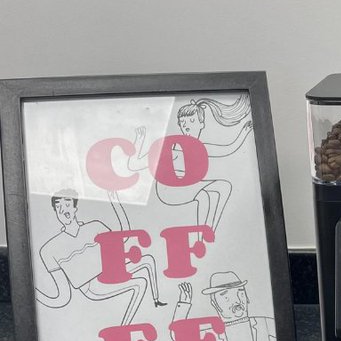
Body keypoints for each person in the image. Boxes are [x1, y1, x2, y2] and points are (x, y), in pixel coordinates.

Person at [35, 190, 165, 325]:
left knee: (148, 260)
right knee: (140, 283)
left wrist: (116, 202)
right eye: (58, 207)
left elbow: (122, 239)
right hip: (91, 286)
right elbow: (63, 297)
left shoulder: (95, 226)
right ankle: (123, 329)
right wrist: (33, 293)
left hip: (109, 272)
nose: (62, 210)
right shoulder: (49, 249)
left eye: (67, 205)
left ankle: (156, 300)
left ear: (75, 208)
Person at [127, 96, 253, 233]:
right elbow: (134, 165)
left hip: (187, 188)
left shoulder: (201, 147)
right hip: (169, 190)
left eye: (192, 121)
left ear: (201, 124)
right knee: (212, 192)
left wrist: (244, 132)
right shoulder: (172, 147)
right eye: (183, 122)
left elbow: (228, 149)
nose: (187, 125)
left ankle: (207, 233)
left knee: (215, 191)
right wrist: (139, 141)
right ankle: (206, 232)